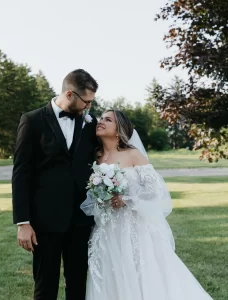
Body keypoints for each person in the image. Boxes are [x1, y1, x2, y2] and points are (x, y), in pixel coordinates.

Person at [81, 109, 213, 300]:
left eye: (107, 120)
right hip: (107, 228)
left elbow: (155, 189)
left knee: (140, 272)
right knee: (112, 272)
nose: (100, 121)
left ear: (119, 130)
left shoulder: (132, 154)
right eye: (101, 118)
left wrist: (126, 199)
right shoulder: (96, 156)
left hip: (133, 227)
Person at [12, 69, 99, 300]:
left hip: (81, 221)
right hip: (45, 222)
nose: (88, 107)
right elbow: (21, 172)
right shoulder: (32, 121)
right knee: (45, 287)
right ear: (70, 94)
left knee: (78, 286)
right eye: (86, 101)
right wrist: (23, 222)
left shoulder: (90, 124)